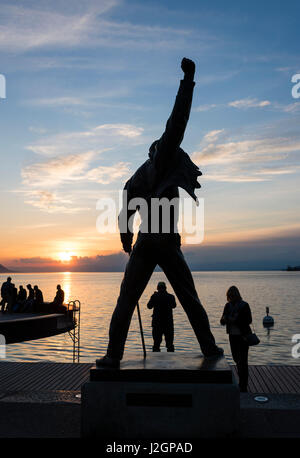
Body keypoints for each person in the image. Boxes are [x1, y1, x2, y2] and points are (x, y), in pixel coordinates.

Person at [97, 58, 223, 368]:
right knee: (189, 298)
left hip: (143, 244)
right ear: (159, 151)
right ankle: (209, 348)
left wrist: (127, 241)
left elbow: (125, 211)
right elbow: (177, 121)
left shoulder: (136, 177)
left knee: (126, 300)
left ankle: (113, 355)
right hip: (165, 242)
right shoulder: (163, 160)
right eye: (165, 147)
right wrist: (188, 80)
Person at [220, 286, 252, 392]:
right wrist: (225, 319)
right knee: (236, 359)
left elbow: (249, 320)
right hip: (232, 336)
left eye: (232, 296)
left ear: (237, 295)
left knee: (243, 361)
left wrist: (236, 320)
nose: (230, 298)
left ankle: (243, 385)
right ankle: (241, 382)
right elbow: (222, 320)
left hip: (243, 337)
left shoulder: (244, 305)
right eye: (229, 296)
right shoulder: (227, 306)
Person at [147, 282, 176, 352]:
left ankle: (155, 359)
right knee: (170, 344)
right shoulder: (171, 296)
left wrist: (154, 296)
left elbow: (149, 306)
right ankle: (171, 359)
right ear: (165, 288)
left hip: (157, 323)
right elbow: (174, 306)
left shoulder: (154, 296)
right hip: (168, 323)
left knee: (156, 344)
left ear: (157, 288)